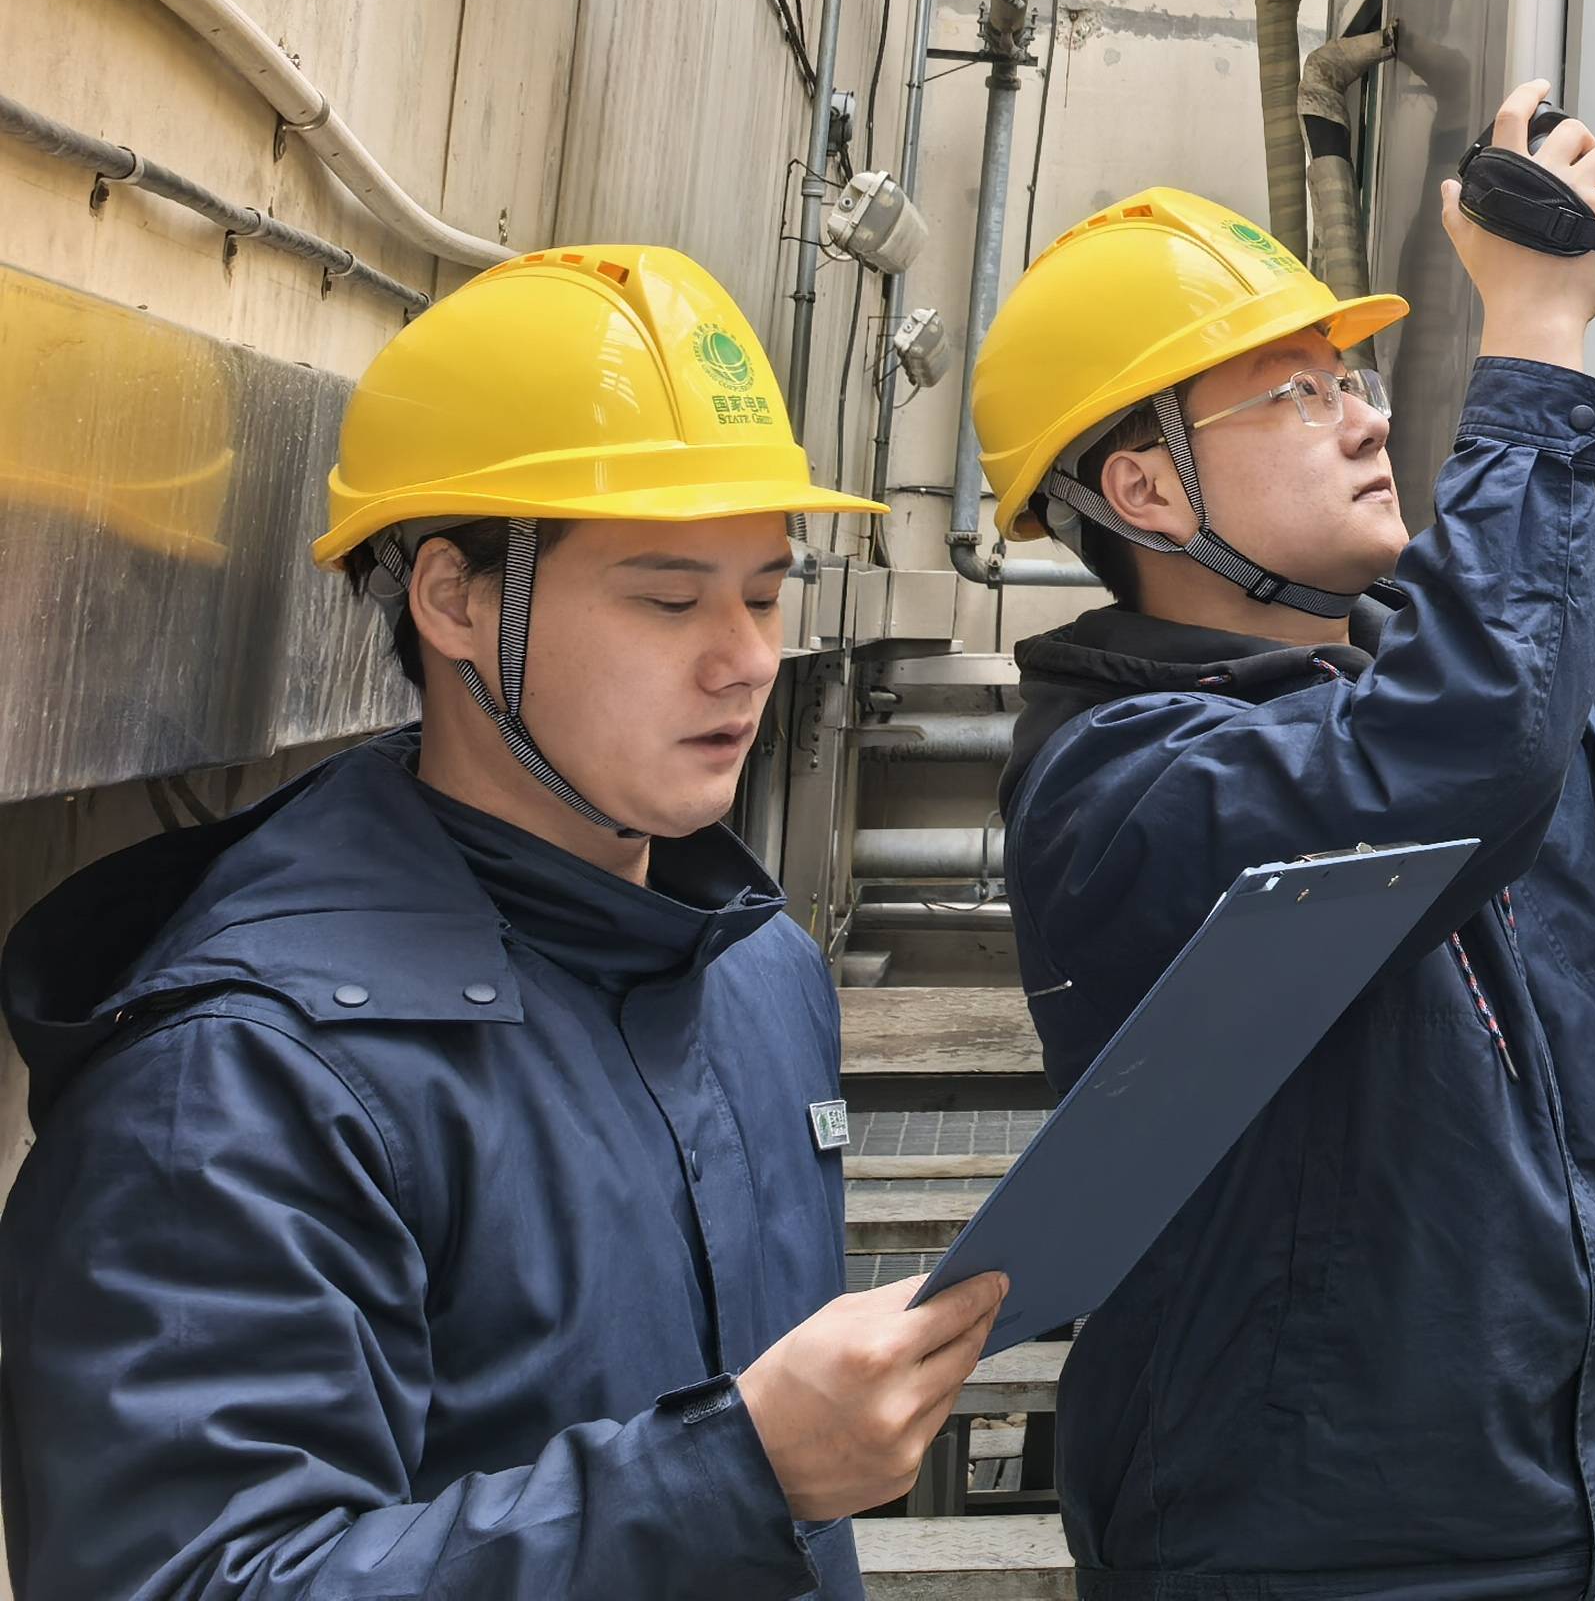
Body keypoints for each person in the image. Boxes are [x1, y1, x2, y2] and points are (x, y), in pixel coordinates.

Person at [972, 84, 1595, 1601]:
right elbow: (1452, 758)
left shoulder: (1439, 709)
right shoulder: (1129, 788)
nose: (1366, 414)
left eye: (1351, 374)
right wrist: (1531, 338)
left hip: (1559, 1506)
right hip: (1307, 1558)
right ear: (1144, 490)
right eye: (1294, 393)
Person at [0, 245, 1008, 1600]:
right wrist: (737, 1474)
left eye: (768, 594)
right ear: (455, 599)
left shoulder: (755, 969)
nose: (747, 659)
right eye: (669, 599)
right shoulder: (242, 1082)